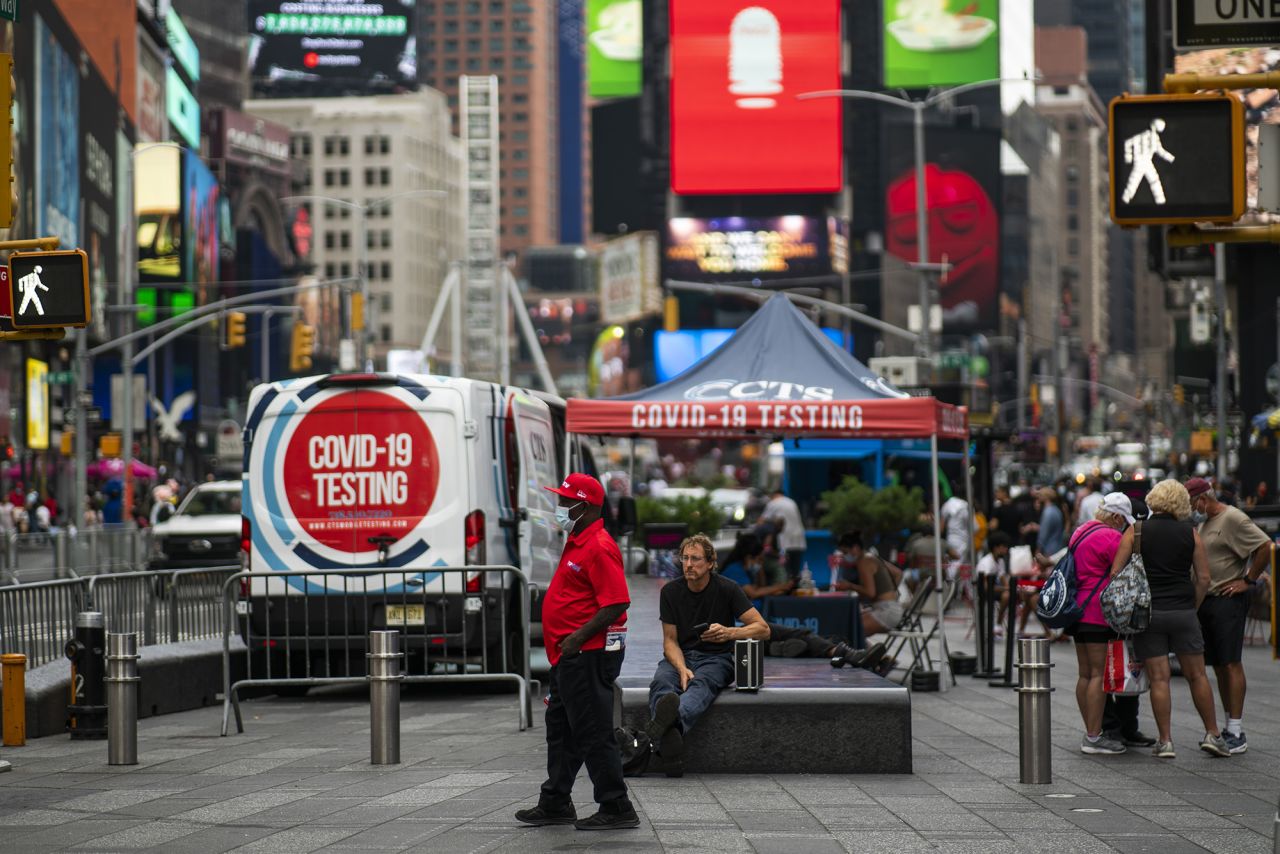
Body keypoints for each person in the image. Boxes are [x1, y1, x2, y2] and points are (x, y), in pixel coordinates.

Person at [515, 473, 639, 831]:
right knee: (562, 729)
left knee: (591, 730)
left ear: (584, 506)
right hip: (570, 655)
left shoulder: (598, 545)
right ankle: (555, 800)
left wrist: (576, 638)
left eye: (566, 501)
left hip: (587, 653)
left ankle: (616, 806)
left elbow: (616, 603)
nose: (560, 507)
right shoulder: (578, 539)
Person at [1107, 479, 1229, 759]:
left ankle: (1165, 741)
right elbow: (1204, 578)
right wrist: (1192, 606)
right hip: (1183, 612)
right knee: (1197, 675)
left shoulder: (1136, 531)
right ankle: (1213, 734)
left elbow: (1116, 574)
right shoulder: (1191, 534)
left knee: (1159, 679)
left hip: (1147, 614)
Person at [646, 534, 769, 778]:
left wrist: (729, 632)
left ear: (711, 563)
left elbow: (763, 629)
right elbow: (670, 640)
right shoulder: (671, 591)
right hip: (681, 654)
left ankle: (667, 725)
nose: (689, 564)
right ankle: (671, 736)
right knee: (662, 681)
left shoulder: (727, 588)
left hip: (717, 658)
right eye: (685, 558)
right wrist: (681, 668)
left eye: (696, 559)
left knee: (702, 685)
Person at [1186, 477, 1271, 754]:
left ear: (1202, 499)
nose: (1190, 509)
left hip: (1228, 600)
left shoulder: (1233, 518)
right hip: (1209, 600)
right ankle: (1228, 726)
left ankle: (1236, 729)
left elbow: (1265, 547)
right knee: (1220, 664)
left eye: (1191, 503)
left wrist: (1249, 579)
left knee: (1231, 662)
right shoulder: (1205, 522)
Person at [1063, 493, 1135, 756]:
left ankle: (1091, 731)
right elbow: (1125, 569)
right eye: (1123, 521)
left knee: (1085, 674)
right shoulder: (1111, 537)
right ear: (1116, 517)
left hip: (1077, 610)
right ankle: (1094, 737)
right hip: (1097, 612)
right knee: (1098, 675)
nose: (1124, 527)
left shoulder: (1081, 531)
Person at [833, 532, 904, 636]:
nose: (844, 556)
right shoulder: (871, 557)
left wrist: (849, 586)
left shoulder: (864, 561)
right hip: (891, 608)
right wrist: (890, 592)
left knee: (848, 629)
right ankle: (865, 650)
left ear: (856, 548)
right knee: (850, 624)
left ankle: (865, 651)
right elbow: (898, 573)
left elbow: (870, 593)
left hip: (886, 612)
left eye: (845, 552)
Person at [761, 489, 807, 581]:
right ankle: (794, 589)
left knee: (784, 570)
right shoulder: (791, 502)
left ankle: (785, 590)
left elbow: (761, 521)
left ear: (774, 495)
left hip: (784, 542)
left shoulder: (774, 503)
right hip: (798, 540)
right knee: (795, 572)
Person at [939, 490, 972, 575]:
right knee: (960, 566)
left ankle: (951, 584)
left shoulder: (947, 505)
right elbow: (973, 526)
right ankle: (952, 584)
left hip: (950, 539)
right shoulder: (965, 505)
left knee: (952, 565)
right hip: (963, 540)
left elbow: (941, 527)